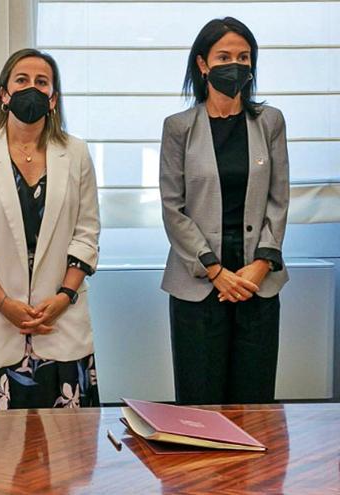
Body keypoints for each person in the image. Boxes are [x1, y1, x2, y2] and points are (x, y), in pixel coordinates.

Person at [0, 48, 101, 410]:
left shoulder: (76, 153)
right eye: (21, 80)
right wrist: (5, 305)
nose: (31, 88)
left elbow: (87, 233)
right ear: (4, 94)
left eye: (41, 82)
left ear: (53, 99)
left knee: (68, 456)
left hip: (60, 322)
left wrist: (63, 298)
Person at [160, 17, 289, 405]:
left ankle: (253, 469)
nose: (236, 64)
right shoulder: (179, 127)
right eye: (224, 56)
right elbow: (172, 207)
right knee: (200, 404)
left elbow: (279, 200)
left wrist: (261, 265)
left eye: (244, 56)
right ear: (203, 64)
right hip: (199, 281)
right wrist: (215, 271)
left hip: (256, 280)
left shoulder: (269, 122)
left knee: (254, 401)